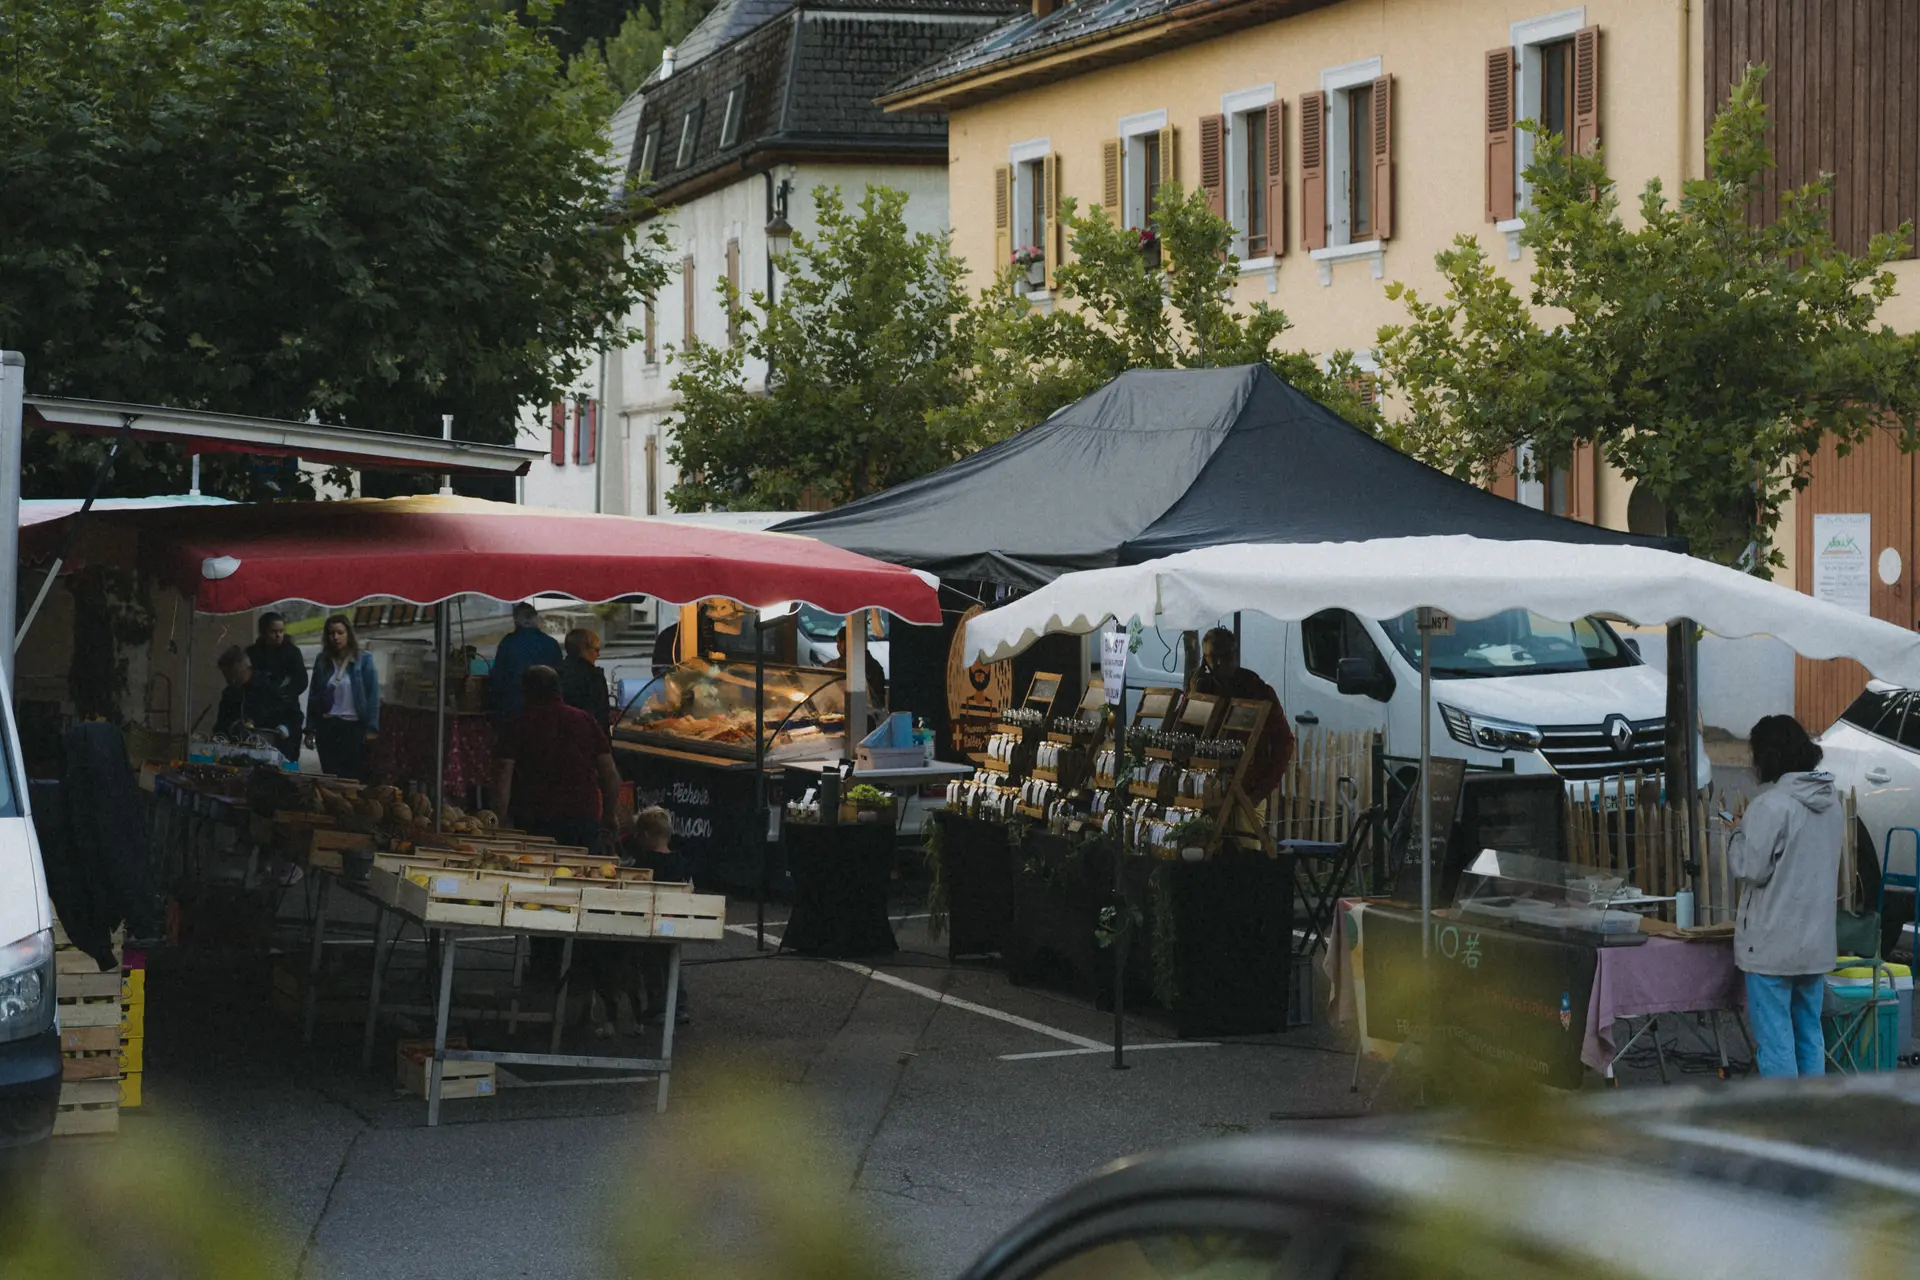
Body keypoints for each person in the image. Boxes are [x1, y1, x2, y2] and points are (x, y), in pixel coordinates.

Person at [1731, 714, 1843, 1079]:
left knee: (1777, 1042)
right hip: (1815, 944)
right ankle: (1814, 1121)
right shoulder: (1832, 804)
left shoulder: (1772, 805)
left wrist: (1736, 835)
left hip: (1770, 946)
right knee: (1809, 1034)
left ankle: (1786, 1122)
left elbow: (1752, 868)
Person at [493, 665, 621, 852]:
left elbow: (502, 776)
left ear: (526, 692)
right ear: (558, 689)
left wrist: (500, 821)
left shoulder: (518, 724)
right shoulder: (584, 719)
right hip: (582, 817)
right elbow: (609, 773)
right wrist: (610, 814)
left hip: (535, 820)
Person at [1187, 627, 1294, 800]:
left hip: (1248, 788)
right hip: (1207, 788)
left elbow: (1284, 741)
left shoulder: (1257, 690)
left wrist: (1262, 788)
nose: (1220, 663)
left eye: (1225, 656)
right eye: (1213, 658)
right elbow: (1185, 733)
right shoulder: (1205, 690)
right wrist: (1194, 698)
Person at [305, 614, 380, 781]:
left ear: (348, 634)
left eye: (340, 632)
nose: (335, 637)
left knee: (352, 777)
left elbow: (372, 696)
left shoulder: (364, 660)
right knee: (331, 776)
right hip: (328, 727)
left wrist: (371, 728)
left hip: (353, 727)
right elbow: (314, 696)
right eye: (331, 633)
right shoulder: (322, 661)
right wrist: (310, 729)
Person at [246, 611, 308, 762]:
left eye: (281, 631)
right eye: (273, 632)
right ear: (264, 632)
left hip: (287, 713)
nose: (278, 635)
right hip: (261, 715)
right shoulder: (253, 653)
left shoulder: (292, 652)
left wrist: (284, 692)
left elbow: (301, 681)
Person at [490, 602, 564, 724]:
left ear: (516, 620)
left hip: (513, 708)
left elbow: (498, 677)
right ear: (536, 619)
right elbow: (559, 676)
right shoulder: (551, 644)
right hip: (546, 708)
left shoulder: (508, 643)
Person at [213, 646, 293, 744]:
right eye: (226, 676)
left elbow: (291, 714)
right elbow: (220, 725)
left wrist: (283, 728)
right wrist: (232, 726)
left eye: (235, 675)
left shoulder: (267, 687)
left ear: (247, 669)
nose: (231, 680)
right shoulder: (229, 693)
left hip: (268, 743)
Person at [560, 627, 612, 730]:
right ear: (584, 650)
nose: (598, 654)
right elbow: (599, 714)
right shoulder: (593, 676)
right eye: (596, 649)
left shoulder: (557, 672)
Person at [834, 624, 888, 707]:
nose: (837, 647)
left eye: (838, 642)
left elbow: (875, 702)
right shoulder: (872, 664)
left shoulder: (867, 666)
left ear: (846, 642)